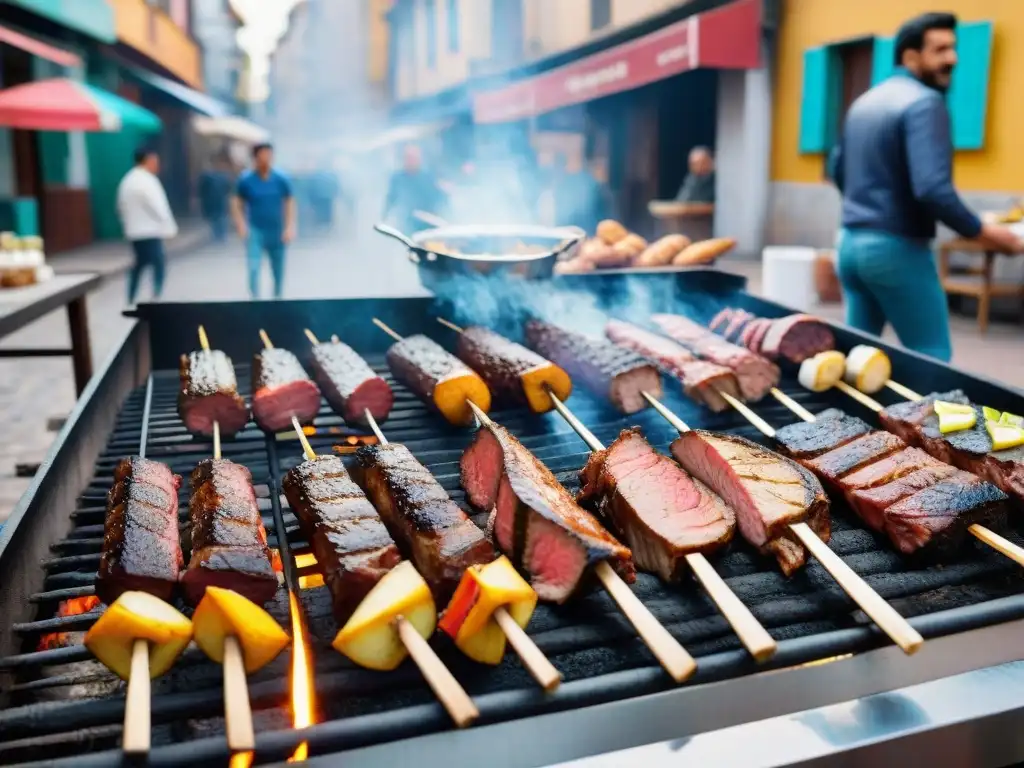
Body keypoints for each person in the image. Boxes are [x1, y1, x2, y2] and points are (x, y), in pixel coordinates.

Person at [830, 12, 1020, 361]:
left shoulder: (863, 102)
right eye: (941, 49)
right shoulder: (925, 103)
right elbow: (932, 189)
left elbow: (837, 168)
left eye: (953, 48)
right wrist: (987, 234)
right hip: (896, 250)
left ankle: (844, 419)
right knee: (931, 357)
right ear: (910, 56)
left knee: (857, 357)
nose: (953, 58)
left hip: (849, 245)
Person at [231, 142, 297, 299]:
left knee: (278, 268)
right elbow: (236, 203)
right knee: (253, 267)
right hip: (255, 229)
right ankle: (255, 300)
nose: (267, 157)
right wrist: (241, 224)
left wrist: (289, 227)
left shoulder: (281, 179)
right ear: (255, 157)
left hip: (277, 229)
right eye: (263, 154)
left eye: (269, 154)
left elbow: (289, 203)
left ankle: (277, 298)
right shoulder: (246, 180)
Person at [116, 148, 178, 306]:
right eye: (155, 161)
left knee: (140, 263)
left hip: (134, 232)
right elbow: (159, 207)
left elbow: (120, 207)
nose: (157, 165)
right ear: (148, 160)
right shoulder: (147, 181)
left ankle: (131, 295)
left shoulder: (127, 181)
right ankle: (157, 295)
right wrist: (170, 227)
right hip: (150, 231)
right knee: (158, 262)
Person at [382, 144, 444, 233]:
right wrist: (385, 218)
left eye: (414, 158)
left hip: (426, 221)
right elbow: (391, 198)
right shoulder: (397, 178)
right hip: (407, 222)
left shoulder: (427, 177)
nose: (411, 161)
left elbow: (437, 199)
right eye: (408, 158)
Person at [198, 155, 232, 242]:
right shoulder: (210, 176)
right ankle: (219, 236)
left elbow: (228, 189)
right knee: (218, 218)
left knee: (219, 218)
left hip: (217, 201)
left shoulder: (221, 176)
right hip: (215, 201)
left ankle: (219, 236)